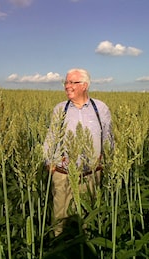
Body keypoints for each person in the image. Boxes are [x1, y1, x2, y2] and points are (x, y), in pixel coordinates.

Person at [44, 68, 114, 236]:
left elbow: (108, 136)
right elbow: (51, 136)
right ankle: (59, 248)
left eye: (72, 82)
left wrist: (108, 161)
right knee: (60, 219)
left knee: (87, 218)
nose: (67, 86)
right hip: (63, 173)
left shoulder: (100, 108)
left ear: (84, 85)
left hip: (90, 173)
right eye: (66, 82)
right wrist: (49, 163)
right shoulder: (60, 109)